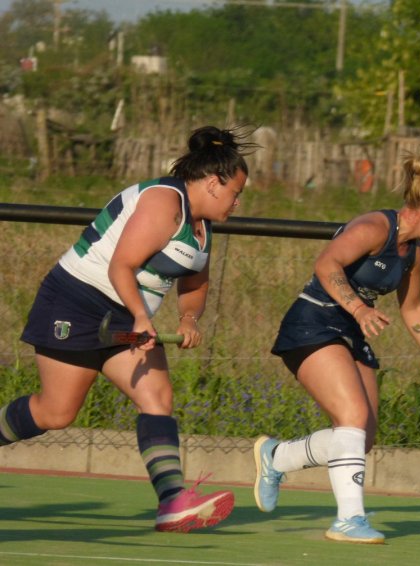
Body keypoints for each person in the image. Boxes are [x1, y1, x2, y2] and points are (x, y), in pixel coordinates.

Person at [0, 125, 253, 533]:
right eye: (235, 192)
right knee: (56, 412)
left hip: (128, 314)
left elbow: (194, 282)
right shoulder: (162, 203)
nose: (238, 202)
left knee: (157, 396)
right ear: (212, 182)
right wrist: (141, 317)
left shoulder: (203, 226)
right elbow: (122, 265)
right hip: (77, 301)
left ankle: (173, 501)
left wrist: (188, 318)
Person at [254, 154, 420, 544]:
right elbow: (326, 262)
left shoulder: (414, 252)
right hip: (313, 323)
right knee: (351, 415)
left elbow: (413, 307)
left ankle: (276, 457)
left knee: (360, 437)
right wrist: (357, 306)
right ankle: (349, 519)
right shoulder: (373, 227)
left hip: (351, 333)